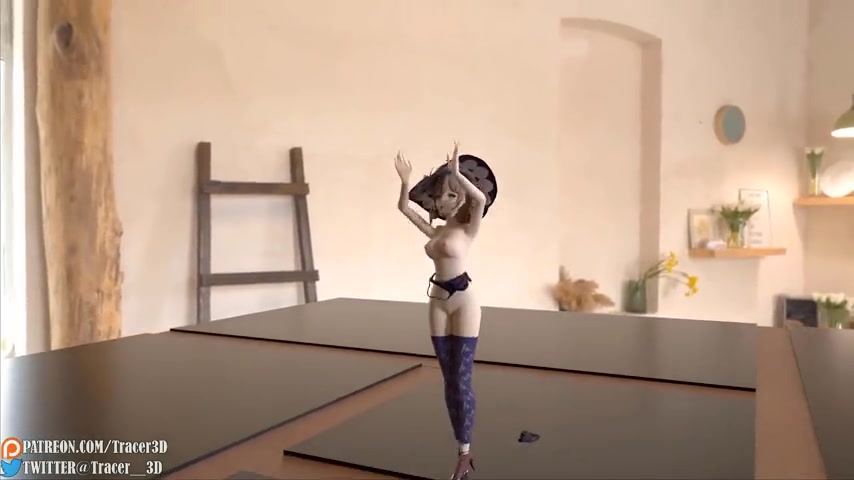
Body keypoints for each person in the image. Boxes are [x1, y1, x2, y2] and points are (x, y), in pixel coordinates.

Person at [394, 142, 498, 480]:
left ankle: (465, 453)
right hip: (437, 300)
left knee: (461, 377)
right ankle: (462, 447)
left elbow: (479, 199)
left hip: (464, 300)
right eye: (440, 195)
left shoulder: (469, 229)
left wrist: (456, 173)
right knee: (448, 378)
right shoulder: (437, 231)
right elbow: (404, 208)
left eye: (452, 195)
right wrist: (405, 181)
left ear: (462, 197)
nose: (443, 201)